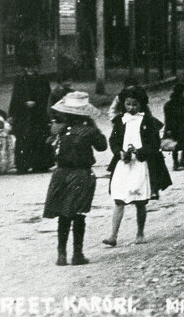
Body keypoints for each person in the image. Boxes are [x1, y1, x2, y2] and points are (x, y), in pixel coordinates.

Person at [43, 91, 107, 266]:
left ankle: (61, 254)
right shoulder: (90, 131)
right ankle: (77, 253)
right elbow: (102, 146)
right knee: (78, 213)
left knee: (63, 214)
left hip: (61, 174)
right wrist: (93, 125)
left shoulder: (60, 129)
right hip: (81, 174)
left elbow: (50, 146)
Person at [103, 88, 172, 246]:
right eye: (128, 104)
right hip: (123, 164)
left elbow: (154, 144)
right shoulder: (120, 120)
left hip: (141, 164)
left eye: (135, 104)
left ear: (141, 105)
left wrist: (140, 152)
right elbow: (113, 141)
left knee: (140, 201)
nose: (131, 108)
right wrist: (119, 152)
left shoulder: (148, 121)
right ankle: (113, 235)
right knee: (119, 199)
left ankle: (140, 233)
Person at [8, 53, 53, 173]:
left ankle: (40, 164)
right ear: (25, 67)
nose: (31, 69)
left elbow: (47, 96)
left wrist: (38, 103)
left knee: (39, 138)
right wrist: (13, 113)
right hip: (23, 114)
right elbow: (15, 97)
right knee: (23, 138)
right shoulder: (19, 80)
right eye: (28, 67)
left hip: (39, 113)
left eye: (33, 66)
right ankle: (23, 165)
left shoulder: (42, 79)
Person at [163, 83, 184, 171]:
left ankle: (178, 162)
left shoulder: (169, 104)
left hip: (179, 127)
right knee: (180, 145)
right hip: (180, 127)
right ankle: (179, 162)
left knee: (179, 145)